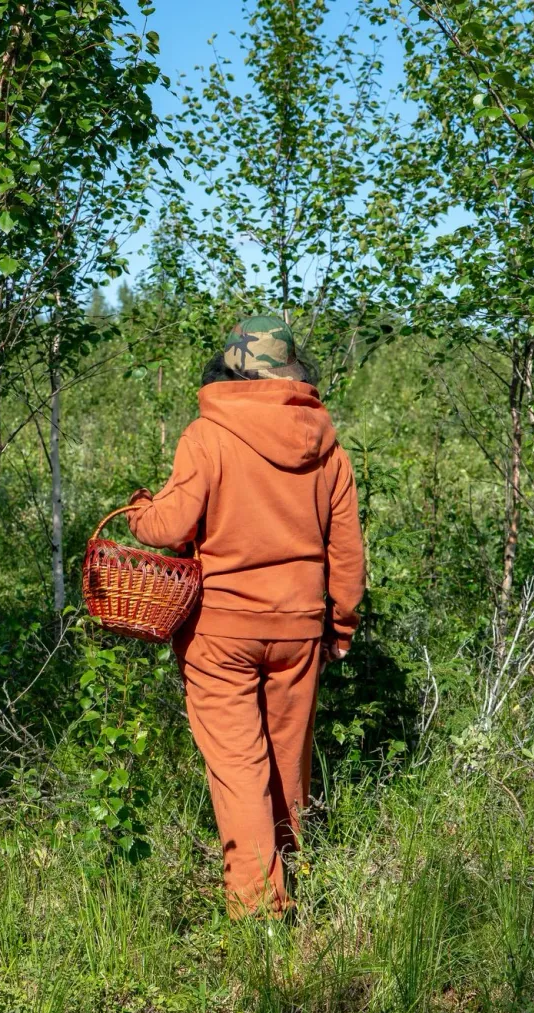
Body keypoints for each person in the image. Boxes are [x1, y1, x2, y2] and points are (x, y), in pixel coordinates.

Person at [126, 314, 365, 918]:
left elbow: (169, 526)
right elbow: (346, 552)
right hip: (300, 629)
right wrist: (339, 626)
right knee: (288, 761)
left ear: (233, 367)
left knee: (239, 767)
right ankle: (289, 878)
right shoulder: (327, 445)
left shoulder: (207, 434)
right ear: (291, 369)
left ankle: (260, 911)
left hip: (222, 631)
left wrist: (139, 507)